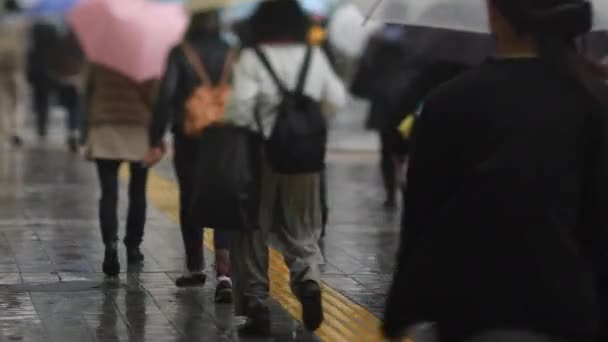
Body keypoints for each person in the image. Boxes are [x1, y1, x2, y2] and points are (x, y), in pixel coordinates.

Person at [383, 0, 608, 341]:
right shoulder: (593, 100)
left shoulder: (449, 102)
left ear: (493, 13)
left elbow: (421, 219)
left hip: (473, 312)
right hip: (571, 311)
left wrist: (401, 313)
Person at [222, 0, 346, 336]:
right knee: (303, 225)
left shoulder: (252, 58)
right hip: (305, 158)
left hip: (259, 158)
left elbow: (238, 111)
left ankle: (256, 302)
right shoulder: (313, 57)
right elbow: (335, 100)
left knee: (251, 230)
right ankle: (308, 282)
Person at [145, 10, 235, 302]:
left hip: (189, 136)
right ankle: (224, 270)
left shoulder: (180, 52)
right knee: (223, 195)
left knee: (191, 197)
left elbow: (167, 93)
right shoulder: (232, 52)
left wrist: (155, 136)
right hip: (225, 135)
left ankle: (195, 266)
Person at [84, 64, 157, 277]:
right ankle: (133, 247)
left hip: (104, 126)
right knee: (138, 191)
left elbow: (87, 91)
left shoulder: (98, 58)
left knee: (108, 193)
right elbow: (154, 96)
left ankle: (110, 246)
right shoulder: (144, 58)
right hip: (138, 127)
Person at [351, 25, 415, 208]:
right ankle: (405, 184)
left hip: (383, 99)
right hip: (408, 97)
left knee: (386, 149)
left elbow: (365, 65)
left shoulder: (376, 39)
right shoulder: (418, 39)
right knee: (409, 147)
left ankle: (390, 194)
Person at [27, 21, 83, 151]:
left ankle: (44, 127)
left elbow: (57, 56)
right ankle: (73, 130)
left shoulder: (60, 39)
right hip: (74, 75)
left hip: (58, 75)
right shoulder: (78, 40)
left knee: (44, 100)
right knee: (75, 106)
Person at [0, 0, 26, 146]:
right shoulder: (21, 25)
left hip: (1, 66)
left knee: (3, 101)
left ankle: (5, 132)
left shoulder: (1, 24)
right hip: (17, 67)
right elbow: (26, 48)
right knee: (18, 100)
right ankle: (16, 131)